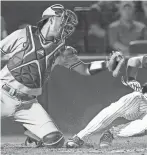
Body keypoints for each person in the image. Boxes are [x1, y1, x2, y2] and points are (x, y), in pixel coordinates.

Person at [0, 4, 123, 148]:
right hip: (3, 93)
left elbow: (85, 69)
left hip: (27, 105)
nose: (67, 26)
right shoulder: (22, 34)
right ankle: (33, 133)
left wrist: (107, 64)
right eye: (63, 20)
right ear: (51, 20)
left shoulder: (61, 50)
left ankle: (33, 136)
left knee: (55, 141)